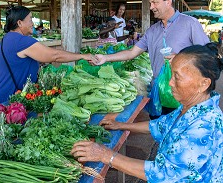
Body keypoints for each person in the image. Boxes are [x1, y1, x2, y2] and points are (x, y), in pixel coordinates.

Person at [71, 43, 223, 182]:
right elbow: (159, 125)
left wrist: (105, 155)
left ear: (204, 83)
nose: (170, 82)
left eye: (177, 77)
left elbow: (163, 173)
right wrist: (121, 125)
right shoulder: (191, 108)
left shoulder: (205, 126)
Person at [94, 0, 209, 119]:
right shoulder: (152, 31)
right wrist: (105, 58)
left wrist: (181, 58)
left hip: (185, 93)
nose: (151, 7)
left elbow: (206, 54)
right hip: (159, 93)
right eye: (150, 3)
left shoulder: (190, 24)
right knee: (158, 129)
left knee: (183, 131)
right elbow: (131, 53)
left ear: (168, 2)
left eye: (155, 3)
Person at [0, 5, 97, 109]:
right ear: (19, 23)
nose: (32, 23)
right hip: (3, 102)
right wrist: (83, 56)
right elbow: (55, 56)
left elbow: (18, 61)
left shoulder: (9, 38)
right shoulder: (20, 40)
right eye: (30, 19)